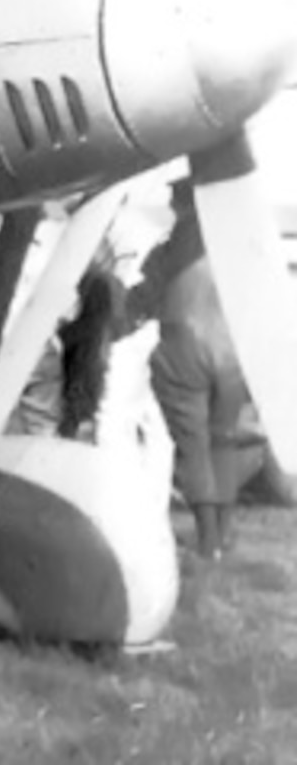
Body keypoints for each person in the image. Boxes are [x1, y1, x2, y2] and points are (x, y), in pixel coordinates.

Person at [133, 184, 248, 560]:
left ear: (186, 203)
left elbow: (143, 297)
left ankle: (208, 539)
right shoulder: (238, 242)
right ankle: (225, 532)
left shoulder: (172, 246)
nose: (169, 203)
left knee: (192, 443)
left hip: (182, 346)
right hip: (234, 351)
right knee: (225, 438)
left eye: (175, 198)